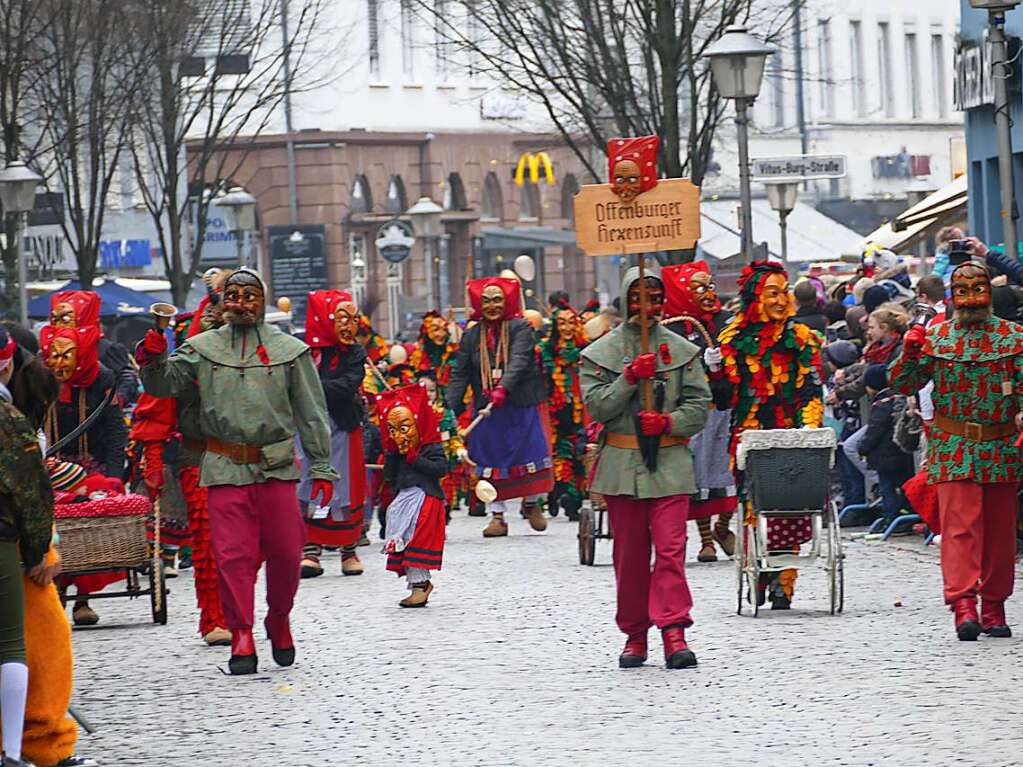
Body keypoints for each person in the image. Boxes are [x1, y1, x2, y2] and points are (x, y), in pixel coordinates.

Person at [137, 269, 337, 674]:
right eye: (233, 295)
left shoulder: (290, 350)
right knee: (232, 556)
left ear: (262, 301)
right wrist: (154, 352)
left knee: (285, 551)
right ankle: (241, 630)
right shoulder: (200, 347)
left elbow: (313, 414)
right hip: (224, 466)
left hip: (276, 466)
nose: (240, 302)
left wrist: (321, 466)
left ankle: (278, 618)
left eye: (249, 295)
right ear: (222, 301)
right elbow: (162, 386)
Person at [582, 265, 710, 669]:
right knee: (630, 556)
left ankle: (674, 630)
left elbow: (699, 404)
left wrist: (671, 422)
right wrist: (627, 379)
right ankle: (635, 635)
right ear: (625, 301)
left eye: (654, 297)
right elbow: (598, 406)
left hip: (669, 463)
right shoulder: (597, 354)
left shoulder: (683, 351)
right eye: (638, 297)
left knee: (671, 550)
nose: (646, 306)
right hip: (621, 465)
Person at [891, 261, 1023, 641]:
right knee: (960, 528)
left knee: (1000, 532)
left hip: (1000, 445)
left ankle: (994, 605)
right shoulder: (938, 338)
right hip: (954, 446)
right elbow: (904, 384)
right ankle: (964, 604)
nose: (970, 299)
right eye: (962, 292)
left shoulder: (1013, 338)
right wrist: (908, 353)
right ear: (951, 296)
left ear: (988, 292)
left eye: (977, 289)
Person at [713, 261, 825, 609]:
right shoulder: (732, 340)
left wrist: (808, 428)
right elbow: (723, 400)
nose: (780, 300)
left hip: (792, 433)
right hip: (750, 435)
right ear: (754, 299)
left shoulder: (803, 338)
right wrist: (715, 370)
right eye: (771, 293)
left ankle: (784, 582)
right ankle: (759, 571)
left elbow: (811, 390)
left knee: (793, 505)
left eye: (784, 291)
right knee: (754, 507)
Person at [447, 276, 553, 537]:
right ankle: (497, 515)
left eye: (497, 300)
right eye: (486, 301)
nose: (492, 306)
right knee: (489, 460)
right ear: (477, 304)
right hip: (486, 408)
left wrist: (503, 387)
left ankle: (531, 504)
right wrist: (448, 408)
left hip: (519, 402)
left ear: (506, 302)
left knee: (527, 454)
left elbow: (519, 359)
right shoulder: (471, 335)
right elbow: (460, 373)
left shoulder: (521, 328)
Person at [41, 324, 128, 627]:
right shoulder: (37, 379)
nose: (59, 364)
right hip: (49, 464)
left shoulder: (101, 377)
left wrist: (115, 475)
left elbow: (117, 430)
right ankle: (54, 594)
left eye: (67, 356)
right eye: (54, 356)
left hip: (94, 464)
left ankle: (82, 599)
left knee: (90, 519)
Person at [0, 327, 57, 767]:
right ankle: (15, 752)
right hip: (3, 538)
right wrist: (38, 552)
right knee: (11, 647)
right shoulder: (10, 419)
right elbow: (31, 493)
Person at [661, 261, 736, 562]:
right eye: (699, 288)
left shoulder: (727, 320)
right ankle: (705, 539)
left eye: (710, 286)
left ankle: (723, 526)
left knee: (729, 468)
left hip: (726, 406)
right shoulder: (672, 327)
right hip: (693, 410)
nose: (708, 293)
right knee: (699, 474)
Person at [298, 290, 368, 579]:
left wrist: (311, 388)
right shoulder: (304, 353)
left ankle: (348, 549)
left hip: (343, 425)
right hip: (308, 427)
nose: (349, 325)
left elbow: (348, 385)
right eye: (342, 318)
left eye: (353, 319)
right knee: (308, 483)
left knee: (346, 486)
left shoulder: (355, 353)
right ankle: (310, 549)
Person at [378, 384, 448, 607]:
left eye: (404, 429)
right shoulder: (396, 451)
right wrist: (391, 454)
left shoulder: (430, 446)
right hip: (404, 500)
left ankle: (421, 585)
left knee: (416, 540)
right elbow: (390, 477)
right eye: (392, 430)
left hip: (425, 500)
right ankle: (416, 584)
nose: (398, 436)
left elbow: (441, 469)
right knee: (403, 541)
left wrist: (414, 458)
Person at [537, 301, 589, 521]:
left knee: (580, 453)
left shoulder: (586, 348)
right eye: (562, 323)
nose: (567, 328)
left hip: (580, 409)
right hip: (555, 411)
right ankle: (559, 494)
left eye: (571, 323)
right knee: (559, 453)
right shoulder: (545, 350)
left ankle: (573, 498)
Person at [49, 290, 138, 405]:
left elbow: (127, 377)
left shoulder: (106, 349)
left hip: (97, 414)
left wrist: (118, 398)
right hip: (58, 415)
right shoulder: (48, 351)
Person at [857, 364, 914, 525]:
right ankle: (902, 514)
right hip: (899, 455)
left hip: (885, 457)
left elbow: (874, 431)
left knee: (887, 488)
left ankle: (891, 518)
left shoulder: (881, 404)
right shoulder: (896, 399)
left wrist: (863, 448)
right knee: (901, 486)